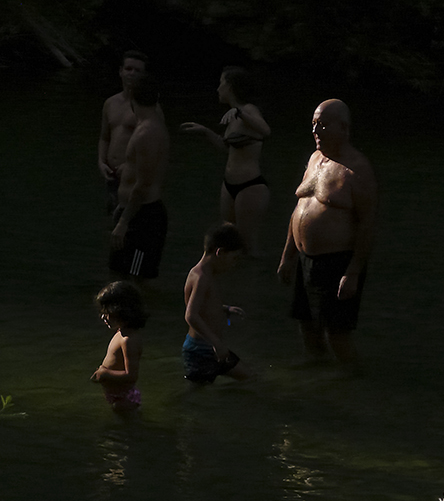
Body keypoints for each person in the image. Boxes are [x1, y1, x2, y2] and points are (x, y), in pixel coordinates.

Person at [277, 99, 378, 368]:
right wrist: (288, 256)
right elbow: (299, 208)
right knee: (307, 323)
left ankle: (351, 376)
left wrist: (353, 272)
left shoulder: (357, 169)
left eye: (322, 125)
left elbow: (367, 224)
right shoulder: (314, 159)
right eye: (313, 124)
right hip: (305, 258)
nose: (315, 131)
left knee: (337, 333)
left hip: (337, 261)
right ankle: (318, 371)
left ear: (344, 128)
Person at [180, 67, 271, 255]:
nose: (217, 88)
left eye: (221, 83)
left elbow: (265, 130)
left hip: (250, 185)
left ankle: (251, 279)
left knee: (247, 245)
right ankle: (231, 281)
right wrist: (205, 131)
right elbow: (226, 147)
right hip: (229, 184)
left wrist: (240, 113)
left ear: (230, 86)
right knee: (228, 240)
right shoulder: (233, 115)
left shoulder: (248, 110)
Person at [109, 74, 170, 280]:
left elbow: (143, 184)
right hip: (133, 212)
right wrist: (128, 166)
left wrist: (124, 222)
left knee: (135, 282)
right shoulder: (147, 126)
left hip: (142, 217)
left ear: (132, 99)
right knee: (118, 277)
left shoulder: (147, 132)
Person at [182, 223, 250, 384]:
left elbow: (203, 306)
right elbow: (191, 315)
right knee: (198, 394)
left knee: (249, 379)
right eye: (233, 258)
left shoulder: (206, 274)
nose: (233, 264)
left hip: (209, 348)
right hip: (202, 349)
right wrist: (217, 343)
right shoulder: (201, 277)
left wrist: (225, 309)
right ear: (219, 252)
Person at [98, 50, 151, 215]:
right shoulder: (110, 103)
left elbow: (154, 147)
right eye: (128, 69)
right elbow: (104, 137)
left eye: (137, 70)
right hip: (111, 176)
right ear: (121, 71)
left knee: (130, 222)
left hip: (133, 176)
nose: (132, 73)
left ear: (144, 75)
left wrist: (131, 165)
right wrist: (101, 161)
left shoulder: (148, 108)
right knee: (112, 222)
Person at [91, 281, 148, 413]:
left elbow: (131, 376)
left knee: (124, 430)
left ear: (121, 311)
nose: (102, 317)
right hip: (117, 395)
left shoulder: (128, 340)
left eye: (107, 312)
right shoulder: (120, 332)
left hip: (124, 398)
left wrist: (105, 373)